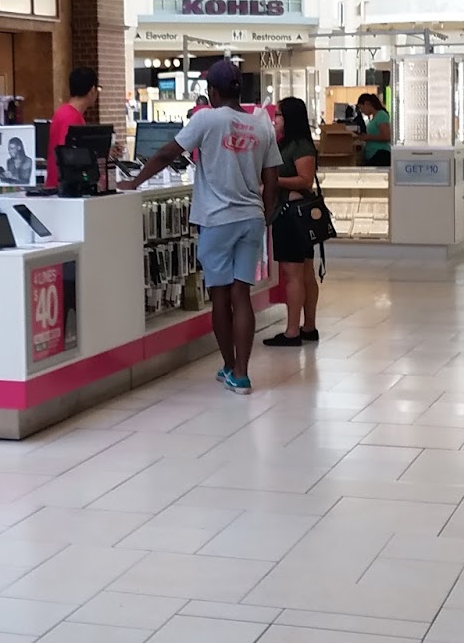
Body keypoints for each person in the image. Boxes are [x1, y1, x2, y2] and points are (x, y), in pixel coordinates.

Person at [124, 57, 279, 394]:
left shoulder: (206, 119)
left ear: (212, 92)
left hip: (217, 220)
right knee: (242, 295)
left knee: (220, 298)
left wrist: (134, 182)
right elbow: (272, 180)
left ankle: (229, 366)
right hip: (251, 219)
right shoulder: (262, 126)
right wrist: (265, 217)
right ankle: (242, 373)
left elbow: (166, 154)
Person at [263, 96, 320, 349]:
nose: (274, 119)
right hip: (295, 213)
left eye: (278, 114)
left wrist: (273, 182)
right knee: (305, 272)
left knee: (294, 274)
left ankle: (292, 331)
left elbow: (305, 180)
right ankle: (308, 327)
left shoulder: (299, 146)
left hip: (292, 214)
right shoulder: (287, 144)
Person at [46, 66, 98, 190]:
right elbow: (69, 155)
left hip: (57, 186)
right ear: (92, 90)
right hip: (63, 189)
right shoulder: (72, 118)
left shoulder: (63, 112)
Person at [357, 91, 391, 166]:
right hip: (373, 155)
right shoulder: (374, 118)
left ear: (366, 104)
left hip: (380, 155)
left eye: (361, 108)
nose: (362, 111)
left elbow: (386, 136)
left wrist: (368, 137)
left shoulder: (381, 115)